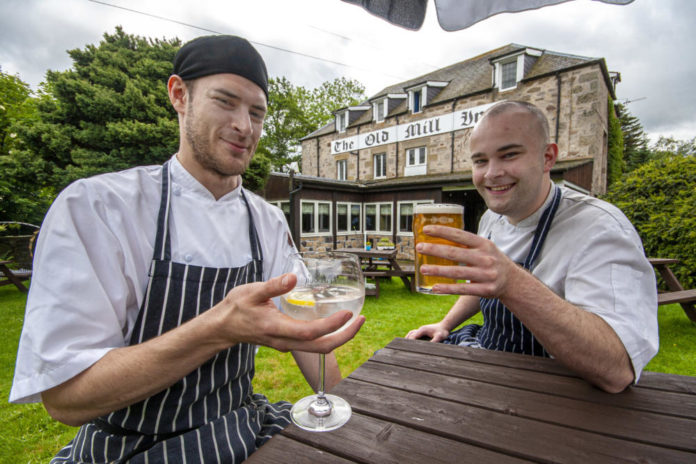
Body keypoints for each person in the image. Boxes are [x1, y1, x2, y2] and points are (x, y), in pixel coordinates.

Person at [10, 35, 365, 462]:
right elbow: (66, 398)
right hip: (131, 445)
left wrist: (338, 404)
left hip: (242, 427)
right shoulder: (100, 207)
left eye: (257, 112)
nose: (245, 126)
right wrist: (219, 327)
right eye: (225, 102)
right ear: (180, 95)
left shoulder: (266, 220)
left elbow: (305, 320)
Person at [406, 101, 658, 393]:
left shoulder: (599, 228)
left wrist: (512, 282)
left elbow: (617, 369)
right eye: (480, 161)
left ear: (547, 157)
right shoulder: (492, 218)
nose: (491, 173)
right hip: (493, 368)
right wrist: (445, 323)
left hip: (558, 394)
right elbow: (486, 282)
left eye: (509, 154)